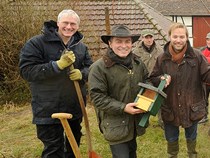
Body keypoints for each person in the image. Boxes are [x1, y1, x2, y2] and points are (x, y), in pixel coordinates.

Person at [19, 9, 93, 158]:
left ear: (77, 26)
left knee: (73, 145)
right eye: (65, 23)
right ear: (58, 23)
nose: (69, 27)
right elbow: (26, 71)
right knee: (53, 149)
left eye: (73, 24)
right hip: (48, 107)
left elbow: (90, 68)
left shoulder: (81, 47)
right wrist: (56, 65)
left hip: (74, 105)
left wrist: (82, 74)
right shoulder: (37, 43)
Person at [149, 22, 210, 158]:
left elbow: (207, 75)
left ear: (187, 38)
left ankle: (192, 155)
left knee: (192, 136)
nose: (178, 40)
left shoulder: (197, 56)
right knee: (171, 138)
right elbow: (153, 77)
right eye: (175, 36)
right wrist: (161, 79)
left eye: (182, 37)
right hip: (170, 107)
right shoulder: (162, 58)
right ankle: (173, 155)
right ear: (169, 36)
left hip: (192, 106)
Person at [88, 25, 149, 158]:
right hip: (115, 124)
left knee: (132, 154)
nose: (124, 45)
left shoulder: (137, 63)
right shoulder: (99, 68)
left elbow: (147, 81)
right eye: (118, 41)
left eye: (127, 41)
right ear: (110, 43)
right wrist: (123, 108)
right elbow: (97, 98)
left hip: (133, 123)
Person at [133, 29, 164, 128]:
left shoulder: (160, 50)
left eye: (150, 37)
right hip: (143, 79)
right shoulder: (136, 52)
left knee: (160, 101)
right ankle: (144, 122)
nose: (149, 39)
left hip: (157, 78)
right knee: (143, 101)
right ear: (142, 38)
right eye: (146, 37)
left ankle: (162, 121)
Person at [198, 32, 210, 124]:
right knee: (204, 100)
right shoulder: (201, 51)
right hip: (205, 82)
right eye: (208, 39)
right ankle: (204, 116)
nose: (209, 41)